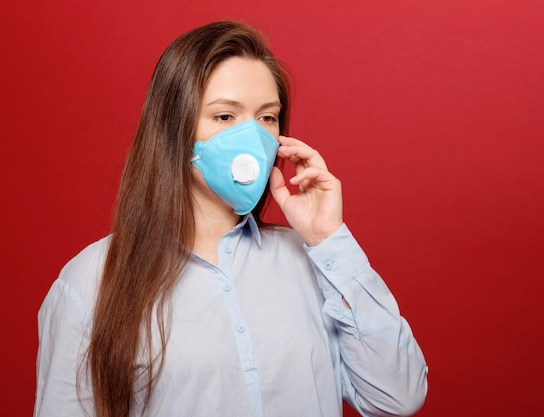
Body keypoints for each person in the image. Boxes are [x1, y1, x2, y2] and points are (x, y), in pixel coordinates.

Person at [34, 21, 428, 417]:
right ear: (174, 129)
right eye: (225, 117)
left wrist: (329, 240)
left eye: (267, 118)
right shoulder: (91, 282)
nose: (251, 137)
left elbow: (398, 398)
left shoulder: (313, 261)